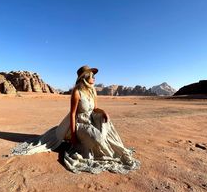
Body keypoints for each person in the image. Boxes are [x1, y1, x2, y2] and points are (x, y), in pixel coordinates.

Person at [9, 65, 140, 174]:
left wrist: (103, 112)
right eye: (92, 75)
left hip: (91, 120)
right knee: (97, 138)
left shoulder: (92, 91)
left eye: (94, 76)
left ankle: (109, 147)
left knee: (106, 122)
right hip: (79, 124)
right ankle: (77, 138)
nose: (94, 78)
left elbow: (95, 109)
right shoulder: (77, 92)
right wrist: (73, 135)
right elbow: (72, 114)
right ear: (85, 77)